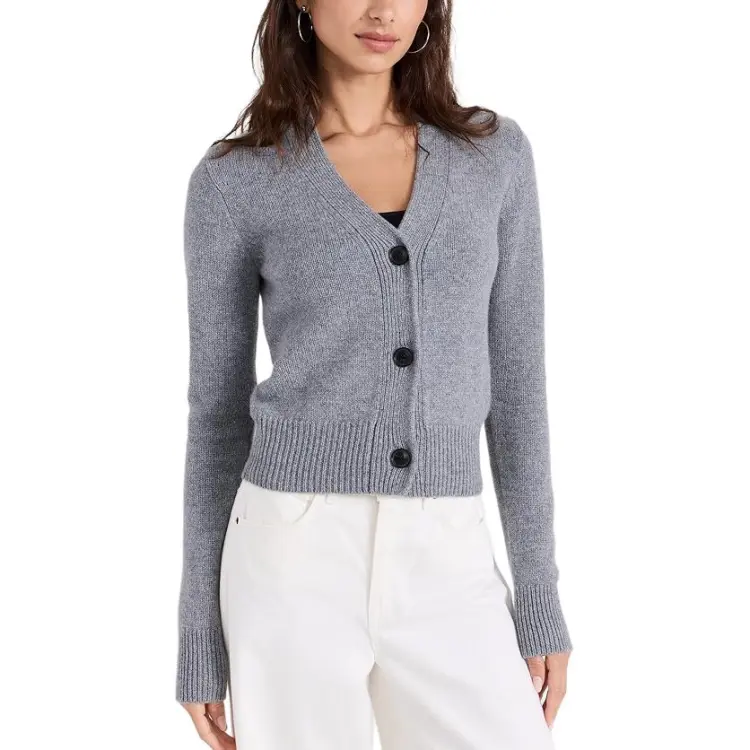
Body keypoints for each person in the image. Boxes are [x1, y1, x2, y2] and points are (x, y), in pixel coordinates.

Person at [175, 1, 573, 748]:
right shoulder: (235, 181)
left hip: (449, 554)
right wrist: (198, 636)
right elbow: (216, 414)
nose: (383, 10)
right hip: (290, 554)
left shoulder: (494, 157)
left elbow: (519, 387)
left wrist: (539, 593)